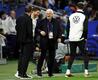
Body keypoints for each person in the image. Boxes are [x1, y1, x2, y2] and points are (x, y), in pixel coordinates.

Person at [35, 9, 62, 77]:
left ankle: (50, 72)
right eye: (47, 13)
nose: (48, 14)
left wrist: (59, 37)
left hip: (53, 41)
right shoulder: (42, 21)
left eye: (49, 13)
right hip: (44, 41)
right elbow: (36, 29)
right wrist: (40, 31)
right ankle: (39, 71)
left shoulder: (56, 21)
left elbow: (60, 30)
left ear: (52, 14)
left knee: (52, 58)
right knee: (42, 57)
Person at [65, 2, 89, 77]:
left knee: (72, 55)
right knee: (85, 54)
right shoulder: (84, 16)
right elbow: (85, 29)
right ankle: (86, 72)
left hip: (72, 38)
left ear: (76, 7)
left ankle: (68, 71)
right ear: (83, 7)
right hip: (80, 38)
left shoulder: (71, 16)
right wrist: (85, 37)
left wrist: (69, 36)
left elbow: (67, 28)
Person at [15, 4, 33, 79]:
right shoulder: (29, 19)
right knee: (26, 58)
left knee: (21, 57)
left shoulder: (19, 18)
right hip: (27, 41)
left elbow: (16, 28)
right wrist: (32, 38)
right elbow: (29, 31)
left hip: (20, 40)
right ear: (31, 11)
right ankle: (23, 74)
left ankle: (19, 73)